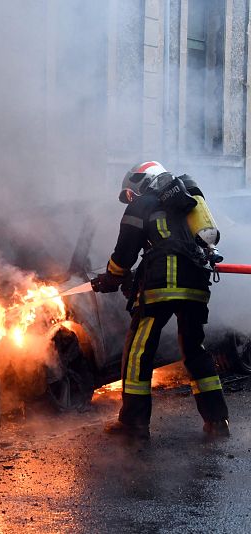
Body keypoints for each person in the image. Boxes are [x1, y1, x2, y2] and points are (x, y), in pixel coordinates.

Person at [90, 161, 229, 439]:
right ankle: (218, 422)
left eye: (130, 192)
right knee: (194, 350)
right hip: (196, 286)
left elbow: (124, 255)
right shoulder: (187, 201)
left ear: (143, 180)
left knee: (138, 352)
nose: (131, 199)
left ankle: (133, 423)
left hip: (161, 287)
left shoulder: (142, 205)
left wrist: (111, 278)